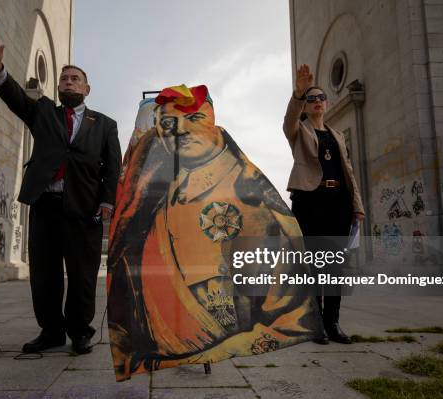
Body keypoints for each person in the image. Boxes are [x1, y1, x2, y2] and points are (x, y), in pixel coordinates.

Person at [107, 84, 322, 381]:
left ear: (213, 125)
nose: (180, 130)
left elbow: (289, 314)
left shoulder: (250, 199)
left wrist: (216, 346)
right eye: (168, 124)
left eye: (193, 119)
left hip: (211, 337)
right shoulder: (147, 195)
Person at [0, 27, 122, 354]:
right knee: (44, 274)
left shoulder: (105, 124)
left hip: (84, 207)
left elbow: (112, 168)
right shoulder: (43, 110)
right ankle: (52, 332)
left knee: (83, 275)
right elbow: (15, 97)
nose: (69, 82)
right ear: (58, 87)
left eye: (75, 78)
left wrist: (107, 202)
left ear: (87, 88)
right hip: (44, 204)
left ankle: (80, 332)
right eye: (64, 79)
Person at [283, 64, 365, 344]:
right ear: (305, 106)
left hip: (338, 203)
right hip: (310, 201)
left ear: (326, 104)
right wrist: (299, 92)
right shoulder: (299, 131)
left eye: (320, 98)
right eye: (311, 99)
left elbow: (349, 172)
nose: (316, 101)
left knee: (334, 267)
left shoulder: (337, 136)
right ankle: (316, 324)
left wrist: (357, 205)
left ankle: (333, 323)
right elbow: (288, 120)